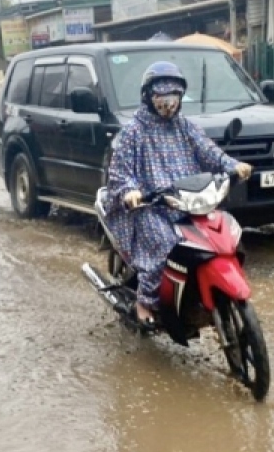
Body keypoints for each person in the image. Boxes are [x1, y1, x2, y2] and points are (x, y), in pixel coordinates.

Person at [104, 62, 253, 327]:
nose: (168, 103)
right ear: (149, 97)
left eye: (173, 97)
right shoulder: (134, 132)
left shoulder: (185, 126)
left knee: (221, 234)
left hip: (188, 201)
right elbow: (120, 171)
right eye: (162, 97)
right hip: (150, 206)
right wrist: (130, 191)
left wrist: (232, 166)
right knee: (164, 244)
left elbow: (209, 151)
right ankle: (145, 301)